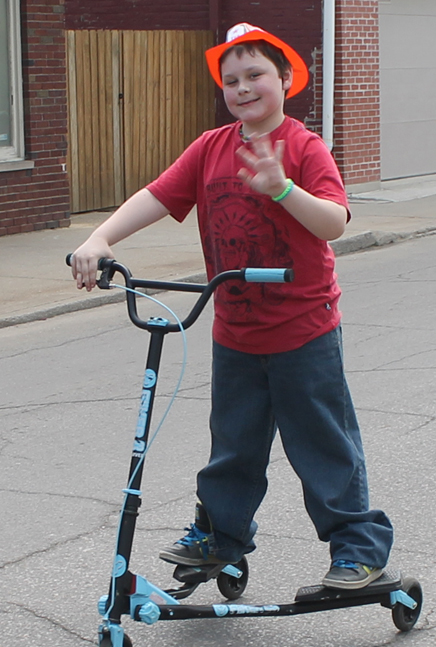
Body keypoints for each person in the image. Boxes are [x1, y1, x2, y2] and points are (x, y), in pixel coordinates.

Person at [71, 22, 393, 589]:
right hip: (236, 332)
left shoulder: (303, 146)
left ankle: (357, 549)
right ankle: (221, 537)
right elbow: (156, 195)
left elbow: (336, 222)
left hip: (303, 330)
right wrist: (101, 239)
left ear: (286, 79)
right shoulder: (210, 148)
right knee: (234, 445)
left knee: (321, 445)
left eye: (255, 75)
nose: (243, 88)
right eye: (232, 79)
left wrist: (283, 189)